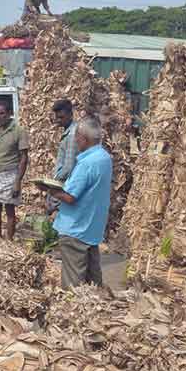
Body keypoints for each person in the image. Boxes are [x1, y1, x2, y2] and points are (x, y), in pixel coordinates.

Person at [37, 117, 112, 289]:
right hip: (92, 227)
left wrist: (50, 189)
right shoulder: (105, 158)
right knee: (93, 279)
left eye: (77, 136)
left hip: (76, 228)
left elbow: (70, 197)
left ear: (84, 139)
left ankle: (73, 311)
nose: (75, 140)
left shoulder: (86, 163)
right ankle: (95, 308)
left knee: (73, 283)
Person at [0, 102, 29, 240]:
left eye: (2, 113)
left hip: (9, 175)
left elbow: (24, 158)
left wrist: (17, 182)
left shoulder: (19, 131)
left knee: (9, 210)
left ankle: (9, 240)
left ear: (9, 113)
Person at [47, 99, 78, 214]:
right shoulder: (69, 131)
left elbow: (69, 167)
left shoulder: (72, 134)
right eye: (57, 117)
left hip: (66, 184)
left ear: (70, 115)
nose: (58, 120)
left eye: (61, 117)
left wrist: (54, 182)